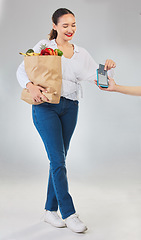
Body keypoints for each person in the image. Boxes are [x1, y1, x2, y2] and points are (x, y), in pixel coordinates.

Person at [16, 8, 116, 233]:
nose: (70, 29)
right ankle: (69, 213)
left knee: (58, 160)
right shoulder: (44, 47)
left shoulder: (81, 53)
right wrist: (30, 86)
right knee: (58, 161)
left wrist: (106, 69)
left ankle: (49, 211)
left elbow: (99, 80)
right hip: (45, 107)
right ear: (54, 26)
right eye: (65, 25)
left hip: (70, 107)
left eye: (73, 25)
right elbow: (21, 71)